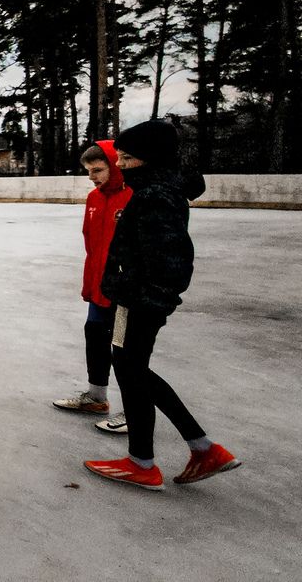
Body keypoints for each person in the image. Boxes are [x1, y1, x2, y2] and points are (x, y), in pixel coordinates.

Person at [84, 120, 240, 491]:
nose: (119, 165)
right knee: (133, 368)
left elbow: (172, 262)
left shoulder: (155, 196)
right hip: (139, 298)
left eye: (126, 158)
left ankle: (143, 462)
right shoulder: (155, 189)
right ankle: (202, 448)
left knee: (129, 368)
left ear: (148, 159)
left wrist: (127, 289)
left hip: (139, 301)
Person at [52, 141, 131, 434]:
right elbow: (91, 245)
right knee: (95, 335)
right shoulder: (94, 198)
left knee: (125, 350)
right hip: (100, 285)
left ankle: (133, 410)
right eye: (89, 171)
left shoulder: (134, 196)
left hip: (126, 290)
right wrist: (90, 283)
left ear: (115, 165)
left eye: (98, 170)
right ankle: (96, 396)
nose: (92, 177)